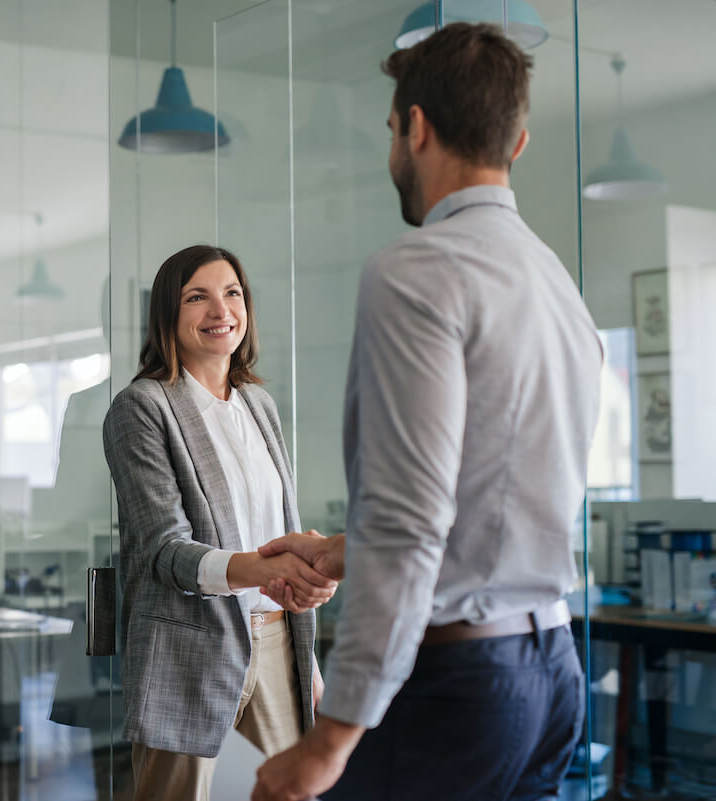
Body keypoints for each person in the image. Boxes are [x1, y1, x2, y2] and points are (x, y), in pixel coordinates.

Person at [251, 23, 603, 801]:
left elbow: (411, 518)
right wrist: (348, 547)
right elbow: (503, 485)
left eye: (389, 131)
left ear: (415, 126)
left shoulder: (417, 270)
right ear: (516, 142)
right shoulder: (556, 284)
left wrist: (331, 737)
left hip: (456, 684)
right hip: (552, 674)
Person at [103, 244, 338, 801]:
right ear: (168, 313)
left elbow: (282, 522)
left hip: (277, 639)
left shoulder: (259, 405)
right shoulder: (143, 407)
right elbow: (165, 550)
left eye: (232, 293)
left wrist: (309, 662)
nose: (220, 310)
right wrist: (266, 566)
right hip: (189, 645)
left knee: (289, 793)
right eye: (197, 297)